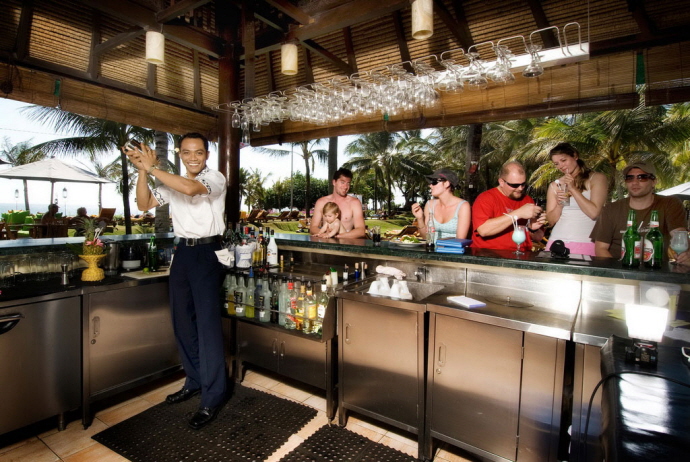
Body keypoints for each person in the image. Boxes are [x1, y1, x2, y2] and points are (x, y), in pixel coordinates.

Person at [125, 132, 228, 429]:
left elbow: (190, 189)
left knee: (207, 327)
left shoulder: (215, 178)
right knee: (182, 322)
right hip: (182, 253)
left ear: (207, 155)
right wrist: (142, 171)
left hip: (207, 253)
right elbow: (143, 203)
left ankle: (213, 396)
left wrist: (152, 167)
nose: (193, 157)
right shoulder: (170, 181)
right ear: (180, 154)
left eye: (198, 152)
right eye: (187, 152)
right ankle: (194, 381)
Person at [591, 161, 689, 265]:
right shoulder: (611, 209)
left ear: (654, 182)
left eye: (642, 177)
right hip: (619, 269)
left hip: (656, 269)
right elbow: (600, 248)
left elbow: (679, 235)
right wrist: (620, 272)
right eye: (630, 178)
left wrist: (685, 254)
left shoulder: (670, 203)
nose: (635, 182)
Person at [545, 143, 608, 256]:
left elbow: (594, 213)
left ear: (575, 156)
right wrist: (560, 204)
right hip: (557, 241)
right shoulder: (555, 185)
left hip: (586, 242)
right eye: (556, 164)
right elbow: (551, 221)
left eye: (563, 160)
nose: (561, 166)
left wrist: (573, 189)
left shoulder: (596, 178)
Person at [472, 161, 546, 250]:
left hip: (520, 254)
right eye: (515, 185)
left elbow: (538, 237)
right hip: (489, 253)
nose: (520, 188)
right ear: (501, 182)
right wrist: (518, 213)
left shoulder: (527, 200)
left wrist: (533, 229)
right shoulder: (486, 198)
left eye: (523, 184)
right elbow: (483, 230)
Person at [411, 168, 471, 239]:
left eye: (434, 182)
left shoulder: (463, 206)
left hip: (452, 246)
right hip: (432, 246)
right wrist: (420, 218)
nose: (430, 186)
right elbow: (426, 237)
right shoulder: (430, 205)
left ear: (446, 184)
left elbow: (460, 240)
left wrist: (440, 243)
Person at [310, 167, 366, 238]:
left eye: (348, 183)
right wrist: (323, 234)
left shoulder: (354, 203)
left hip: (345, 243)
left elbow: (361, 231)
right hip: (326, 243)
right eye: (342, 182)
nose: (346, 187)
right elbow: (313, 228)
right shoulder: (321, 202)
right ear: (334, 182)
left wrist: (335, 236)